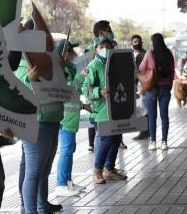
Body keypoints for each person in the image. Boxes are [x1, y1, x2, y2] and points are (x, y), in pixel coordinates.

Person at [14, 50, 66, 214]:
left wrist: (61, 72)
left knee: (44, 172)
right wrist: (32, 80)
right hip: (37, 124)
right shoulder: (22, 66)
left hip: (53, 120)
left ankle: (43, 212)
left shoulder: (49, 64)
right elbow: (18, 96)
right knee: (33, 173)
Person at [83, 36, 126, 184]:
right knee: (106, 140)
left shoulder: (113, 64)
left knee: (115, 140)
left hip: (114, 110)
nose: (105, 49)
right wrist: (99, 92)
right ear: (95, 50)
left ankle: (109, 170)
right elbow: (85, 89)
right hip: (99, 111)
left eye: (107, 46)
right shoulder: (93, 66)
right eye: (101, 47)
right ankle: (98, 171)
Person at [54, 40, 89, 197]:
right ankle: (61, 184)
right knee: (67, 150)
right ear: (66, 54)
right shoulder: (62, 71)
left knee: (69, 149)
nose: (75, 54)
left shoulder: (67, 69)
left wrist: (83, 106)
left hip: (69, 116)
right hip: (65, 118)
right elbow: (69, 91)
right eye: (73, 52)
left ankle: (68, 182)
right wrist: (81, 77)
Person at [139, 33, 174, 151]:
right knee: (164, 116)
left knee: (152, 116)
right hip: (164, 88)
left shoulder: (150, 53)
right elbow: (171, 72)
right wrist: (169, 85)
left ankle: (152, 142)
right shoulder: (168, 54)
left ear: (153, 42)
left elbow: (141, 68)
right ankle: (164, 142)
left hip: (151, 88)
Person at [132, 35, 150, 141]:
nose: (137, 43)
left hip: (142, 84)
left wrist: (144, 86)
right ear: (131, 43)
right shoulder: (129, 54)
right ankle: (144, 131)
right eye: (135, 41)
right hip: (133, 85)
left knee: (143, 109)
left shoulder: (145, 54)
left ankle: (144, 132)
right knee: (139, 108)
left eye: (139, 41)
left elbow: (147, 71)